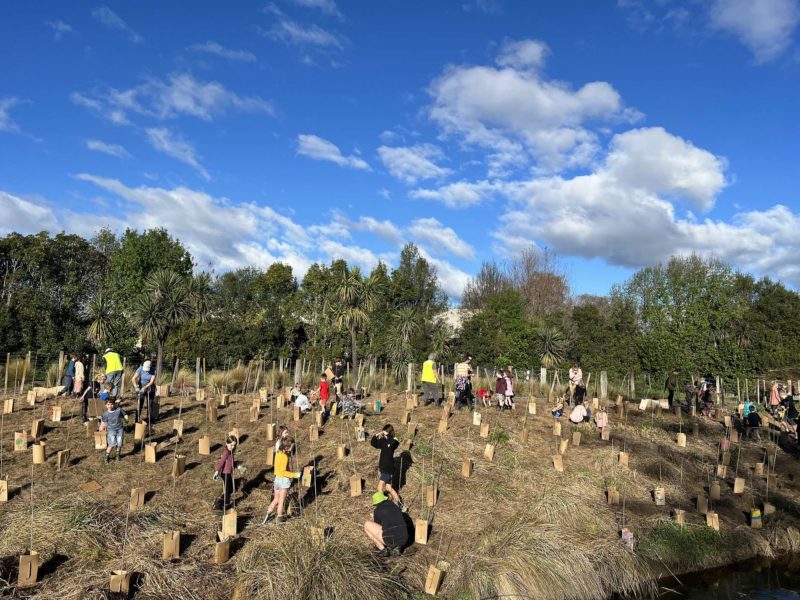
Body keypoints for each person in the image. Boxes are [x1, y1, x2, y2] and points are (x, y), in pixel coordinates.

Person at [265, 437, 300, 524]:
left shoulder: (278, 453)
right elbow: (283, 472)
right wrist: (295, 475)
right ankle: (279, 519)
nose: (293, 448)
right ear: (287, 447)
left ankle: (267, 514)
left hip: (277, 479)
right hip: (283, 481)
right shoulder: (284, 457)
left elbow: (278, 469)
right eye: (292, 446)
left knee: (276, 499)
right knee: (281, 502)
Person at [364, 492, 408, 557]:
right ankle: (397, 547)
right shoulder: (394, 505)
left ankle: (383, 549)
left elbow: (378, 525)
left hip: (390, 540)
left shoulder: (377, 510)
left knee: (366, 524)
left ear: (376, 503)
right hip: (404, 538)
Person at [371, 424, 401, 504]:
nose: (383, 433)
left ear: (389, 432)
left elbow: (393, 444)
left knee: (380, 487)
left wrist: (387, 435)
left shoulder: (393, 440)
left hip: (388, 467)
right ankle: (400, 505)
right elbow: (374, 444)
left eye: (385, 431)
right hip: (383, 467)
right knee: (388, 488)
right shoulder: (383, 440)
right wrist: (376, 435)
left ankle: (383, 507)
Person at [213, 435, 240, 511]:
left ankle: (219, 500)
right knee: (228, 490)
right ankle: (226, 504)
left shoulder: (231, 452)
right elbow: (221, 463)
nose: (232, 447)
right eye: (231, 445)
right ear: (226, 443)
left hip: (229, 473)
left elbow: (231, 463)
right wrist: (217, 471)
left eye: (234, 445)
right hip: (225, 473)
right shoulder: (226, 453)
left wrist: (237, 466)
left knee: (230, 489)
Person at [100, 396, 128, 463]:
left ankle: (117, 455)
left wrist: (126, 418)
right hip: (111, 430)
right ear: (106, 405)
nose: (110, 406)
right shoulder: (105, 414)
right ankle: (106, 456)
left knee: (119, 443)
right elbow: (104, 422)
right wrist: (102, 427)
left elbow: (124, 414)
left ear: (114, 404)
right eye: (108, 404)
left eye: (111, 404)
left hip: (120, 429)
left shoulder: (119, 409)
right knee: (112, 444)